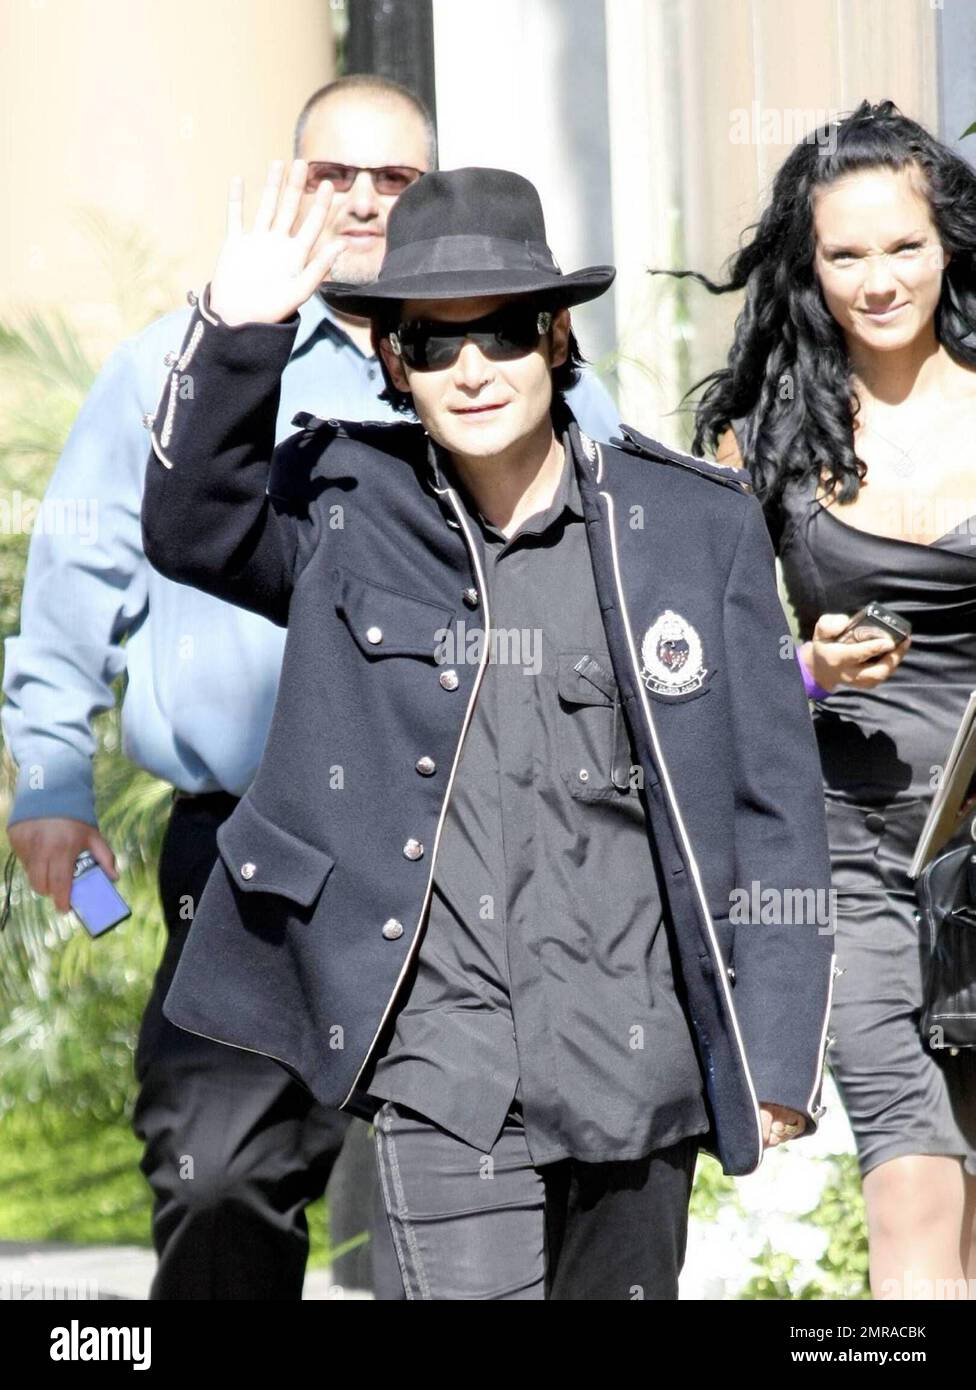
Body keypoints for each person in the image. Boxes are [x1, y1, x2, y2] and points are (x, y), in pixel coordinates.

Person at [139, 158, 834, 1300]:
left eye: (504, 332)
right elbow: (191, 526)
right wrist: (236, 330)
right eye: (431, 343)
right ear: (388, 362)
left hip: (637, 1061)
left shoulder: (689, 529)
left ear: (556, 340)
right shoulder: (342, 506)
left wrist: (774, 1040)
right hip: (444, 1065)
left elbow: (773, 799)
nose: (471, 369)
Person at [2, 73, 618, 1301]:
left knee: (466, 1184)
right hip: (255, 852)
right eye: (334, 173)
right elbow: (79, 575)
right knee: (220, 1172)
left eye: (395, 178)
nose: (361, 199)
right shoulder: (173, 367)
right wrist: (52, 779)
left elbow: (609, 565)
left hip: (475, 841)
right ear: (292, 185)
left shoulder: (515, 364)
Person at [681, 99, 976, 1299]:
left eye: (901, 244)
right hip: (846, 849)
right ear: (808, 270)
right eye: (845, 254)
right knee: (911, 1181)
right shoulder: (761, 441)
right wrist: (804, 665)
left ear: (947, 240)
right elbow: (693, 663)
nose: (877, 278)